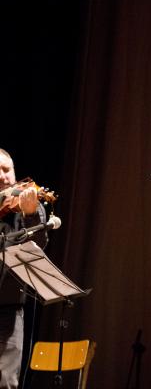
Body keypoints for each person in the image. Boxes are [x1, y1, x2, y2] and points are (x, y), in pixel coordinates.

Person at [0, 148, 48, 389]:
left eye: (6, 170)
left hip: (7, 311)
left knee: (6, 382)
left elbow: (38, 246)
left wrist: (30, 215)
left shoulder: (31, 206)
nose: (2, 176)